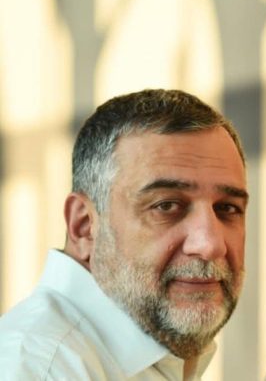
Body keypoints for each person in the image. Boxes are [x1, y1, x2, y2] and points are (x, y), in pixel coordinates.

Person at [0, 89, 249, 380]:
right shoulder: (41, 368)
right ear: (84, 226)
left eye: (228, 208)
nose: (210, 244)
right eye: (166, 206)